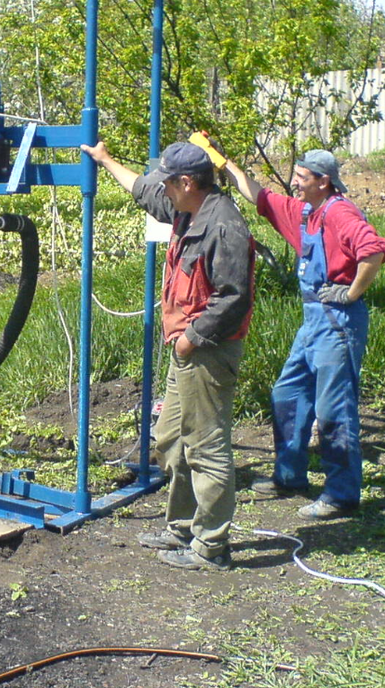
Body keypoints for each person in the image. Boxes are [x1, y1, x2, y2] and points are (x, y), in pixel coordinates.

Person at [81, 140, 255, 570]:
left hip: (207, 352)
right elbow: (143, 190)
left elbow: (233, 298)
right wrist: (105, 160)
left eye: (169, 183)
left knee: (205, 446)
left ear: (186, 181)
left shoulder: (223, 226)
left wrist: (191, 337)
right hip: (187, 350)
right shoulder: (186, 208)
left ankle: (211, 547)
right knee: (171, 439)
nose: (164, 190)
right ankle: (181, 526)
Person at [221, 149, 385, 520]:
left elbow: (374, 251)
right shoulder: (305, 212)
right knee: (288, 392)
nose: (294, 182)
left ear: (323, 180)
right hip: (312, 319)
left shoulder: (340, 213)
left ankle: (341, 494)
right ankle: (290, 475)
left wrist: (351, 292)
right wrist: (224, 164)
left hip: (338, 320)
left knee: (333, 408)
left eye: (301, 176)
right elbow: (260, 196)